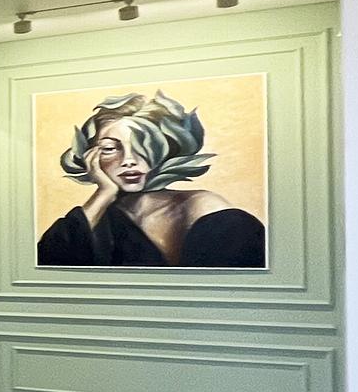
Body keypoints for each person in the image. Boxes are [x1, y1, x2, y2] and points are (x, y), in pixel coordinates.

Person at [36, 91, 264, 267]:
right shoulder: (101, 216)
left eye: (143, 146)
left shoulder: (205, 210)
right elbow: (49, 262)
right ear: (90, 156)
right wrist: (103, 194)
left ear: (167, 149)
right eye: (109, 148)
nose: (129, 160)